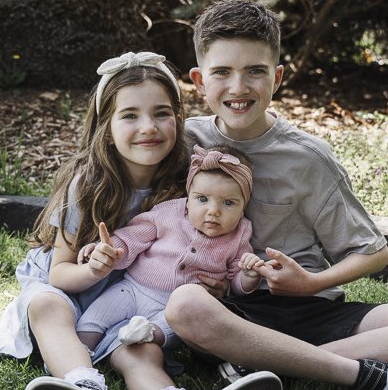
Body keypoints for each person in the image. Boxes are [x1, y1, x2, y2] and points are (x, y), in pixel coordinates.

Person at [165, 0, 388, 390]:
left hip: (307, 310)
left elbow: (374, 253)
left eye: (255, 71)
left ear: (277, 77)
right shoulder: (186, 141)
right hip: (231, 314)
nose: (238, 87)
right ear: (199, 80)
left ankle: (266, 368)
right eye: (222, 72)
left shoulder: (309, 157)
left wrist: (311, 283)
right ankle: (362, 376)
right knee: (186, 305)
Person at [0, 52, 282, 390]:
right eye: (130, 115)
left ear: (178, 119)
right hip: (75, 290)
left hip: (144, 299)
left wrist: (219, 284)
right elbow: (59, 275)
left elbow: (211, 251)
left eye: (162, 113)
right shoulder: (88, 184)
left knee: (139, 350)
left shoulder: (191, 181)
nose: (148, 127)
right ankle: (84, 389)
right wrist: (94, 270)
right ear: (106, 127)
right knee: (46, 305)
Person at [75, 145, 261, 355]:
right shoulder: (168, 212)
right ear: (188, 198)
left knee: (171, 329)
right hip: (133, 289)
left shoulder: (240, 233)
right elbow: (131, 237)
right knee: (95, 316)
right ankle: (78, 351)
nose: (213, 211)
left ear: (243, 207)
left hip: (177, 309)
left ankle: (145, 335)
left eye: (228, 203)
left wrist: (248, 276)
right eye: (202, 199)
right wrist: (109, 250)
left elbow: (235, 279)